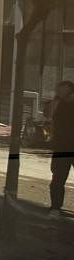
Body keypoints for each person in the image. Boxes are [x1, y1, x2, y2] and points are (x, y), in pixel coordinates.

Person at [48, 80, 74, 218]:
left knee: (58, 178)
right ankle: (55, 207)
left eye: (60, 89)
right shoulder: (58, 103)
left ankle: (56, 208)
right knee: (58, 178)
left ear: (69, 89)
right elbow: (51, 119)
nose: (57, 91)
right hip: (61, 147)